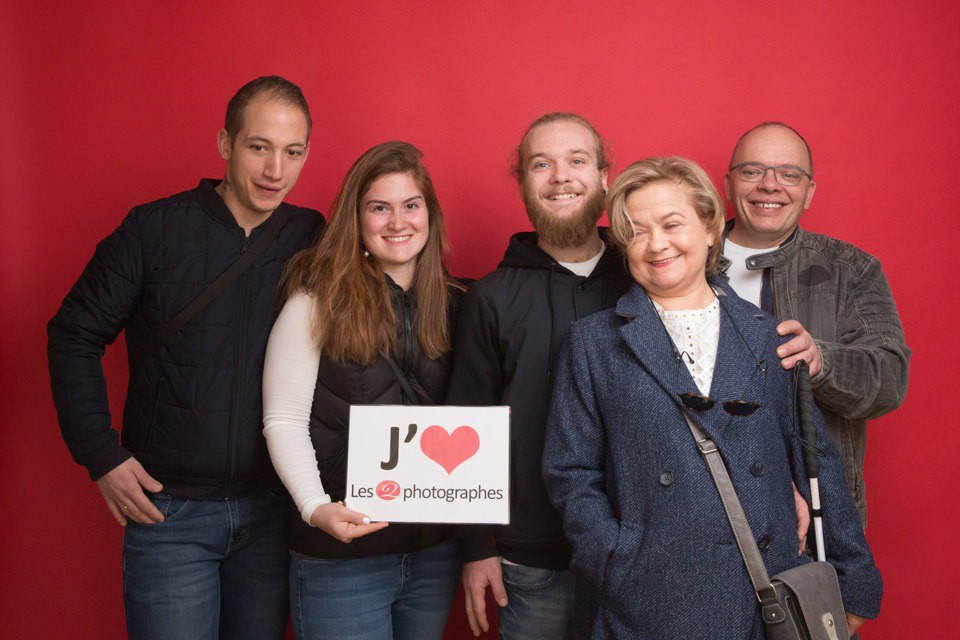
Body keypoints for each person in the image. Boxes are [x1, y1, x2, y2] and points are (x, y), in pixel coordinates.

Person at [542, 156, 883, 639]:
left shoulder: (768, 334)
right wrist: (616, 557)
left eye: (671, 223)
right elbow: (570, 471)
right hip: (645, 599)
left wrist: (853, 577)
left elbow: (813, 454)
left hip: (761, 594)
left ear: (708, 228)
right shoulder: (595, 342)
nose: (656, 243)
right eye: (637, 231)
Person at [46, 76, 321, 640]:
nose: (275, 170)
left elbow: (385, 294)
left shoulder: (312, 236)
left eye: (292, 152)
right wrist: (99, 453)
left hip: (272, 510)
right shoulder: (153, 229)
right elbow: (73, 333)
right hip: (168, 514)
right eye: (258, 147)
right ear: (225, 143)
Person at [262, 141, 465, 640]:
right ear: (356, 218)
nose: (398, 221)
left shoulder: (461, 304)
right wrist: (315, 507)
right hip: (341, 556)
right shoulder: (315, 302)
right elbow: (283, 419)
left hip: (433, 554)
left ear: (430, 214)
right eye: (379, 207)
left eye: (410, 205)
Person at [446, 113, 633, 639]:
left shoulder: (645, 280)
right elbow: (467, 422)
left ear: (603, 176)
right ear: (522, 182)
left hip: (639, 553)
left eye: (577, 161)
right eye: (541, 164)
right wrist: (477, 546)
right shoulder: (491, 296)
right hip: (528, 561)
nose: (560, 177)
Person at [722, 122, 910, 524]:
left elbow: (890, 380)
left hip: (821, 514)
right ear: (729, 183)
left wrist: (820, 362)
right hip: (708, 510)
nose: (770, 185)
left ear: (809, 193)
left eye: (789, 174)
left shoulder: (851, 270)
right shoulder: (680, 261)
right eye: (753, 170)